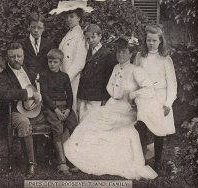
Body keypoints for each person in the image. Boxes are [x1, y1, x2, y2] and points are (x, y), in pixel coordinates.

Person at [64, 37, 158, 180]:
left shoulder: (135, 70)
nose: (120, 55)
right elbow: (111, 88)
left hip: (126, 108)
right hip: (112, 104)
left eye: (124, 52)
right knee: (90, 120)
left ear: (130, 54)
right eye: (119, 52)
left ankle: (95, 160)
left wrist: (134, 95)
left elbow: (149, 88)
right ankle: (86, 158)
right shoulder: (115, 67)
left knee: (99, 121)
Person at [0, 42, 44, 178]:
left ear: (23, 55)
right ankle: (31, 163)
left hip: (34, 107)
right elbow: (5, 94)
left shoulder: (29, 69)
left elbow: (39, 85)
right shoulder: (2, 75)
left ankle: (57, 159)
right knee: (24, 123)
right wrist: (27, 93)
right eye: (12, 57)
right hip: (13, 111)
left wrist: (39, 93)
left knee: (55, 117)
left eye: (19, 56)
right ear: (7, 57)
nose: (16, 59)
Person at [133, 24, 177, 172]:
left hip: (159, 97)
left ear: (160, 41)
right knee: (141, 127)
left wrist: (168, 103)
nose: (151, 43)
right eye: (148, 40)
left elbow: (172, 83)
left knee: (159, 130)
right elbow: (134, 78)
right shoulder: (140, 57)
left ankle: (158, 162)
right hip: (144, 97)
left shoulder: (165, 59)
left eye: (154, 40)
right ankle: (141, 159)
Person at [49, 1, 93, 113]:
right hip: (63, 78)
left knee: (71, 109)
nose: (68, 19)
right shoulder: (68, 34)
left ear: (79, 18)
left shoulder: (80, 36)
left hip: (71, 79)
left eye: (72, 16)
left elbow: (79, 63)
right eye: (67, 17)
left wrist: (65, 80)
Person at [40, 49, 78, 175]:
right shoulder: (44, 75)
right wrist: (56, 110)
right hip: (51, 107)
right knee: (57, 128)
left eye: (55, 62)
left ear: (60, 63)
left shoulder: (64, 76)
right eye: (50, 61)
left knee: (74, 125)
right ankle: (61, 163)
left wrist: (68, 109)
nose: (52, 64)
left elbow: (70, 95)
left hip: (64, 106)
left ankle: (73, 159)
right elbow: (44, 95)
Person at [77, 24, 117, 121]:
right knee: (82, 122)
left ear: (100, 36)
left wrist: (105, 98)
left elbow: (108, 78)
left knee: (93, 122)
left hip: (97, 96)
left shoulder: (107, 54)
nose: (90, 40)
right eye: (88, 38)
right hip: (83, 95)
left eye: (93, 37)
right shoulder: (85, 52)